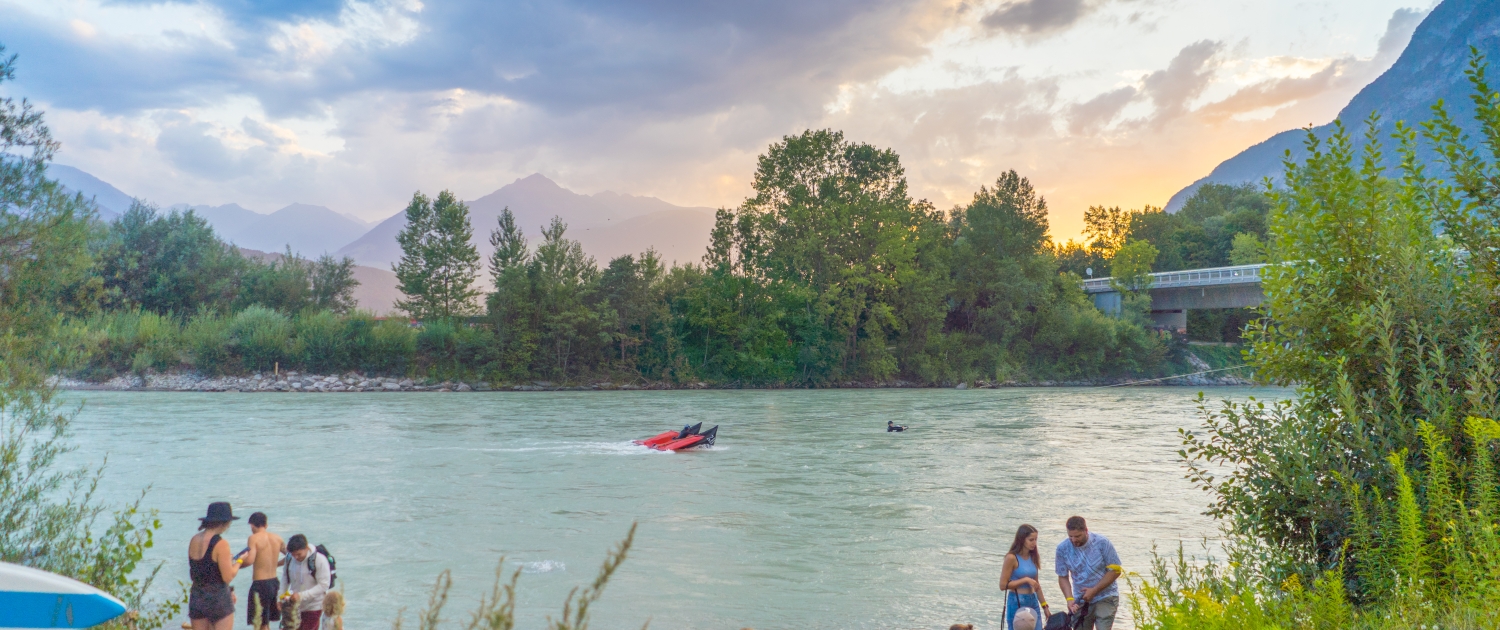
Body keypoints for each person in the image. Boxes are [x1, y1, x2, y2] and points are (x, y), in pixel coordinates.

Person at [1055, 516, 1122, 630]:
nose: (1073, 540)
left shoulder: (1102, 543)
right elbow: (1063, 576)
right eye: (1070, 536)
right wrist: (1069, 599)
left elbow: (1116, 570)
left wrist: (1094, 590)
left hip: (1106, 596)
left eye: (1077, 536)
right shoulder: (1062, 548)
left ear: (1086, 531)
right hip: (1080, 599)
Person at [189, 502, 245, 630]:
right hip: (218, 599)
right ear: (224, 522)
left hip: (197, 597)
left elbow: (200, 570)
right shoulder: (221, 544)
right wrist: (239, 562)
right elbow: (228, 577)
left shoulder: (194, 540)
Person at [999, 524, 1050, 630]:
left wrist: (1045, 606)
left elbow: (1036, 584)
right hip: (1017, 600)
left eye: (1036, 539)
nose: (1034, 543)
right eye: (1031, 540)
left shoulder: (1033, 556)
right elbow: (1003, 585)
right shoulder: (1011, 558)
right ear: (1022, 539)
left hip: (1033, 600)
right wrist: (1025, 580)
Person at [242, 512, 286, 630]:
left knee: (260, 623)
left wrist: (237, 564)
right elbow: (291, 556)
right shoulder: (277, 538)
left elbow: (250, 560)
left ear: (252, 525)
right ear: (266, 524)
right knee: (266, 623)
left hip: (260, 584)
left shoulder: (253, 538)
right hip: (274, 583)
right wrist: (276, 564)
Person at [283, 534, 332, 630]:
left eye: (299, 554)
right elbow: (285, 577)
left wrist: (301, 596)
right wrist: (279, 597)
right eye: (294, 555)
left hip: (313, 606)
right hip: (293, 606)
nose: (296, 557)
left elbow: (324, 585)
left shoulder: (319, 560)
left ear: (306, 548)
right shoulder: (289, 558)